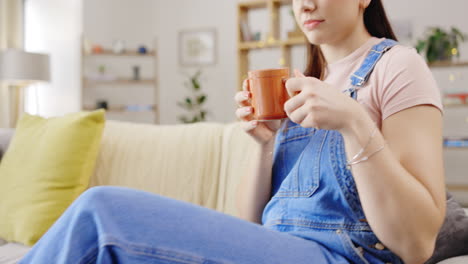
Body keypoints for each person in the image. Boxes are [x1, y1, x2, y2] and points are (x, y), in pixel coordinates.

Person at [20, 0, 446, 263]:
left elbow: (416, 243)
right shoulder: (301, 85)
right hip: (278, 249)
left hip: (342, 256)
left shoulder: (396, 66)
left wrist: (354, 122)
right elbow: (250, 225)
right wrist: (263, 146)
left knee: (101, 214)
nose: (305, 5)